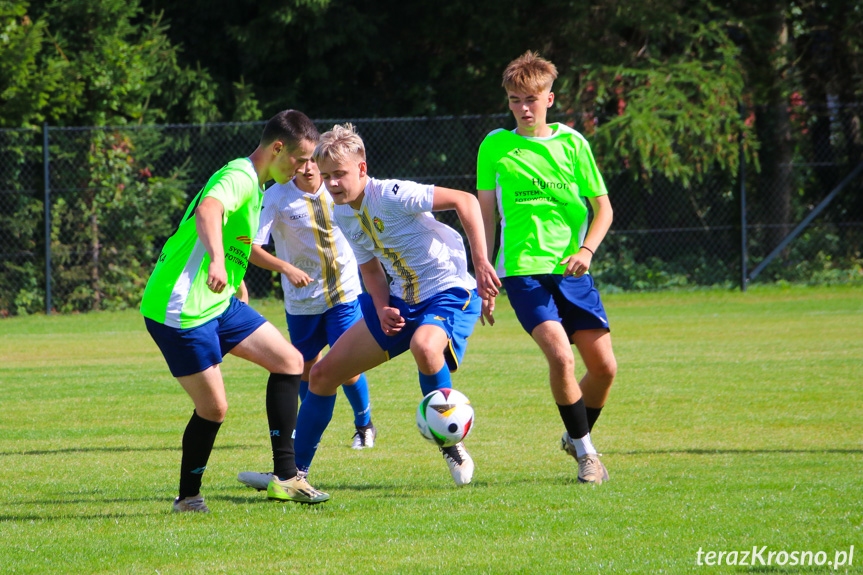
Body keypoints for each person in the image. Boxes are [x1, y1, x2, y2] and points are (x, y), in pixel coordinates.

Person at [279, 123, 499, 499]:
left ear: (362, 170)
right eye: (327, 176)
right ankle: (291, 474)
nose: (332, 183)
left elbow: (466, 200)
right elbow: (369, 269)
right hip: (400, 301)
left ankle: (451, 443)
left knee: (426, 347)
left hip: (447, 290)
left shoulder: (394, 194)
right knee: (321, 374)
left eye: (340, 174)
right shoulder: (344, 212)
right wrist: (381, 308)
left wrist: (481, 263)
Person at [141, 110, 330, 511]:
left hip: (218, 301)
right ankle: (188, 498)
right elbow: (209, 210)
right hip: (181, 308)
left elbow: (232, 233)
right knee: (214, 408)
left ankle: (287, 477)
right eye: (299, 160)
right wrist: (213, 261)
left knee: (290, 361)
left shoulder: (260, 183)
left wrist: (233, 273)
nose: (304, 169)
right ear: (277, 148)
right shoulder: (241, 176)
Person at [476, 51, 618, 485]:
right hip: (522, 272)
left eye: (531, 99)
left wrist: (587, 251)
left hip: (573, 271)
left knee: (605, 368)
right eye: (516, 99)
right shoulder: (494, 146)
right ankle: (587, 456)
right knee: (560, 356)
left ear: (549, 99)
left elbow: (604, 210)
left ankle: (575, 435)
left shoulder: (573, 144)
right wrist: (482, 269)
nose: (523, 107)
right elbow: (484, 215)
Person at [236, 129, 377, 492]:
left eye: (316, 160)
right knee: (306, 368)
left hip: (344, 294)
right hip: (302, 303)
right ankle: (305, 433)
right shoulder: (276, 197)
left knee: (345, 368)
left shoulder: (340, 189)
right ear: (292, 163)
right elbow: (252, 246)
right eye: (304, 161)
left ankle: (364, 424)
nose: (311, 168)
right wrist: (285, 268)